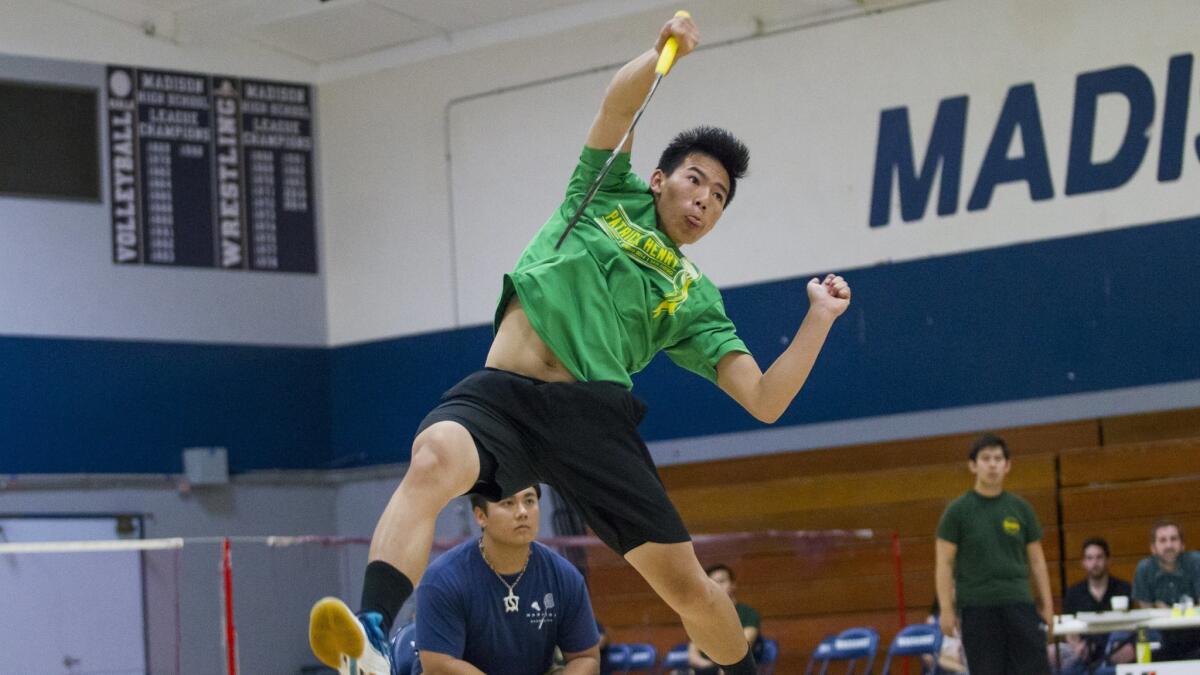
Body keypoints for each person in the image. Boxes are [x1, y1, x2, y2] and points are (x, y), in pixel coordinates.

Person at [309, 12, 852, 675]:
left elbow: (765, 398)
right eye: (695, 179)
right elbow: (618, 104)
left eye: (719, 196)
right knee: (430, 461)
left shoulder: (695, 296)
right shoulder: (603, 193)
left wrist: (819, 317)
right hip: (503, 398)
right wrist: (661, 56)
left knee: (686, 587)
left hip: (592, 419)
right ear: (659, 178)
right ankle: (367, 640)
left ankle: (742, 668)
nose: (705, 199)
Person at [396, 485, 599, 675]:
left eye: (529, 501)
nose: (522, 512)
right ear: (481, 516)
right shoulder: (442, 579)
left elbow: (585, 657)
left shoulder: (564, 576)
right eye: (507, 503)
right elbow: (439, 666)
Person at [935, 434, 1054, 675]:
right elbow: (944, 563)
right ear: (973, 465)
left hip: (1020, 603)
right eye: (986, 458)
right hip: (977, 607)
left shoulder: (1020, 508)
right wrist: (946, 609)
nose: (992, 464)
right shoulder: (957, 511)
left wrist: (1048, 606)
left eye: (998, 459)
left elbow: (1037, 562)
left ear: (1007, 466)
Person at [1052, 537, 1133, 673]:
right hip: (1083, 651)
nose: (1094, 563)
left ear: (1108, 560)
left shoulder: (1124, 588)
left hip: (1114, 649)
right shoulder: (1073, 592)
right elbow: (1068, 627)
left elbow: (1128, 626)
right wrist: (1076, 646)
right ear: (1083, 563)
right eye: (1089, 558)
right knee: (1054, 656)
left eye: (1099, 557)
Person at [1132, 519, 1200, 661]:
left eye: (1173, 539)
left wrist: (1167, 610)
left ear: (1182, 545)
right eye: (1162, 540)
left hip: (1195, 632)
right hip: (1162, 636)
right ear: (1153, 548)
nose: (1169, 545)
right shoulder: (1144, 569)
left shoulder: (1196, 562)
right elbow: (1147, 613)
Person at [686, 564, 762, 674]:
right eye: (712, 583)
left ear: (733, 585)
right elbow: (693, 654)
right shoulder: (702, 615)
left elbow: (743, 647)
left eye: (721, 581)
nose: (717, 586)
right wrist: (709, 668)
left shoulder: (748, 613)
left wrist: (724, 669)